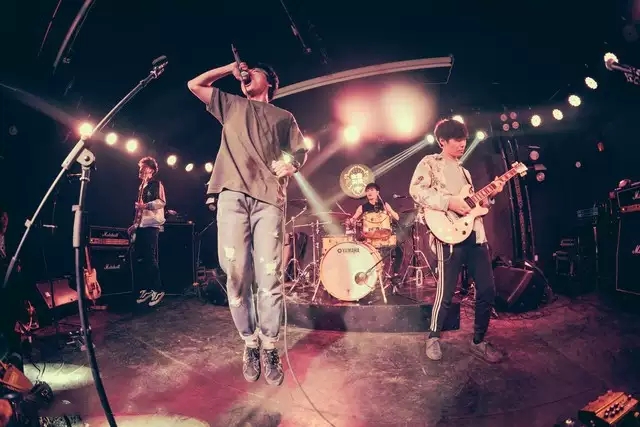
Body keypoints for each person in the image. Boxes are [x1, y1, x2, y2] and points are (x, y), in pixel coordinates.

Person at [188, 60, 308, 386]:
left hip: (269, 199)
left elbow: (299, 151)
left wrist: (292, 165)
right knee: (236, 273)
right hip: (232, 196)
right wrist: (228, 68)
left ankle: (269, 346)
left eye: (255, 71)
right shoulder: (230, 104)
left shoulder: (284, 117)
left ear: (269, 81)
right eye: (246, 71)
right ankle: (250, 342)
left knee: (269, 275)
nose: (247, 74)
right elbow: (194, 85)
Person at [408, 118, 505, 363]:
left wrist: (491, 195)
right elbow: (416, 191)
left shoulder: (465, 172)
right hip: (447, 236)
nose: (463, 144)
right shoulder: (430, 163)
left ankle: (479, 341)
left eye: (464, 140)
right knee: (446, 292)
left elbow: (473, 206)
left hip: (475, 236)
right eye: (457, 140)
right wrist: (448, 202)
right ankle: (433, 337)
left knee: (487, 289)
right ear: (442, 141)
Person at [129, 157, 166, 308]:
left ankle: (158, 289)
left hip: (151, 225)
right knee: (140, 259)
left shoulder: (156, 184)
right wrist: (134, 225)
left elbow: (161, 202)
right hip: (141, 225)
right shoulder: (141, 186)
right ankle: (147, 289)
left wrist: (145, 206)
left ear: (150, 169)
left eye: (143, 167)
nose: (140, 170)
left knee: (150, 258)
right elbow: (139, 211)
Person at [346, 183, 403, 279]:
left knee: (399, 251)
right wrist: (350, 221)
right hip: (370, 238)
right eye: (367, 191)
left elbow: (397, 217)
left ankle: (395, 274)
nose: (369, 192)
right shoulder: (362, 207)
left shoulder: (384, 204)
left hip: (385, 236)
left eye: (372, 190)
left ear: (377, 192)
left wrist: (389, 211)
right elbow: (354, 218)